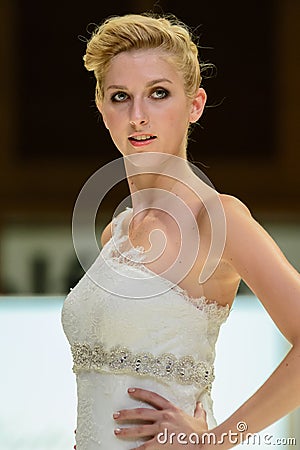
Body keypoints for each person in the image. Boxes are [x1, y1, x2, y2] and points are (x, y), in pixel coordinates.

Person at [61, 13, 300, 449]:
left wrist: (215, 441)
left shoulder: (216, 220)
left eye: (158, 94)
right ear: (101, 108)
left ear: (195, 104)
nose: (137, 116)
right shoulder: (115, 233)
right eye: (120, 97)